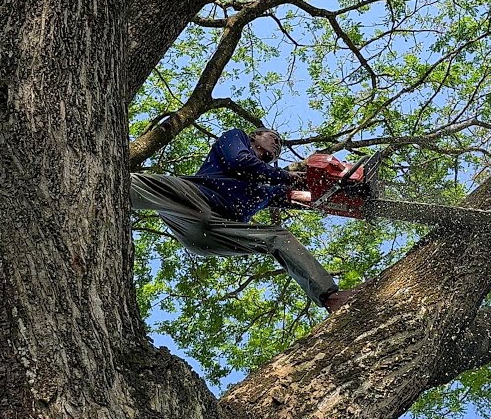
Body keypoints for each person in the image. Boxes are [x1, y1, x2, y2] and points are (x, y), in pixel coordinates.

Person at [131, 128, 358, 312]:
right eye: (273, 137)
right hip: (195, 199)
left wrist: (343, 195)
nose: (277, 144)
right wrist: (287, 177)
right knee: (144, 184)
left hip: (219, 231)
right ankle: (105, 183)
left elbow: (303, 199)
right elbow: (239, 161)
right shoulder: (236, 138)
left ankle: (330, 297)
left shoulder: (266, 187)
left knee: (278, 238)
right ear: (254, 137)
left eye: (279, 143)